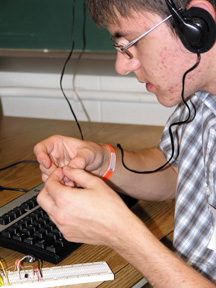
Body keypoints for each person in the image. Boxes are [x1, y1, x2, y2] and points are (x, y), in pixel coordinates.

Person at [34, 0, 216, 286]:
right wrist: (104, 162)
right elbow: (176, 172)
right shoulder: (201, 97)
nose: (122, 65)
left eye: (131, 42)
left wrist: (124, 237)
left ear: (197, 25)